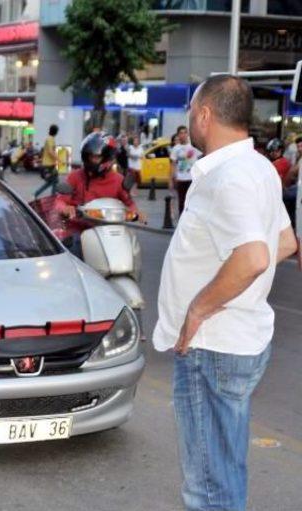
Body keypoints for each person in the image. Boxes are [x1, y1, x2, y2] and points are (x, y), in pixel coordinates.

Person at [153, 75, 298, 511]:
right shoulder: (257, 168)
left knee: (209, 487)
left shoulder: (230, 177)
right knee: (224, 470)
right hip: (238, 341)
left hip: (212, 347)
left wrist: (200, 307)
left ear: (205, 114)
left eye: (190, 112)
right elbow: (286, 243)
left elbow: (254, 257)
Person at [170, 125, 200, 216]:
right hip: (180, 178)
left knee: (192, 201)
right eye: (181, 133)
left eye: (185, 132)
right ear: (178, 135)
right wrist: (172, 179)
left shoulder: (194, 146)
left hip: (192, 178)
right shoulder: (176, 148)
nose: (183, 135)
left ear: (188, 134)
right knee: (182, 201)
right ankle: (181, 220)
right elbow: (173, 164)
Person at [34, 124, 59, 198]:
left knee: (52, 181)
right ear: (56, 132)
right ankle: (53, 197)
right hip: (49, 165)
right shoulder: (50, 139)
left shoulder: (49, 139)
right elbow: (51, 152)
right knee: (54, 181)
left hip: (48, 164)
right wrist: (59, 159)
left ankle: (37, 193)